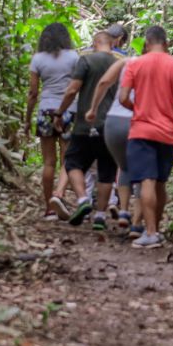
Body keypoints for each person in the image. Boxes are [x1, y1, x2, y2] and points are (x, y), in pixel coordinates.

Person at [115, 25, 173, 249]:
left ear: (147, 43)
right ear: (166, 43)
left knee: (146, 181)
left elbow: (123, 97)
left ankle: (150, 232)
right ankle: (156, 229)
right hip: (167, 133)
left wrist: (137, 108)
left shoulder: (136, 64)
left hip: (141, 131)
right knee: (160, 183)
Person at [56, 28, 122, 229]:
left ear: (94, 44)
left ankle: (83, 199)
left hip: (85, 123)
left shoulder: (85, 61)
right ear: (112, 44)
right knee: (107, 171)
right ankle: (101, 215)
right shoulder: (119, 63)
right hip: (110, 124)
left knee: (72, 161)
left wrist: (60, 112)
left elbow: (73, 89)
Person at [86, 27, 141, 236]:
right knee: (129, 167)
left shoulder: (85, 56)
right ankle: (124, 209)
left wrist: (91, 108)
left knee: (99, 162)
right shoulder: (125, 59)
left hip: (107, 117)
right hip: (131, 117)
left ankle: (107, 205)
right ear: (118, 40)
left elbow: (101, 83)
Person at [23, 22, 79, 220]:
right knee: (67, 158)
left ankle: (49, 209)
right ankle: (59, 195)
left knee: (48, 162)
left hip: (46, 110)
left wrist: (27, 119)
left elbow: (33, 92)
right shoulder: (74, 57)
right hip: (69, 111)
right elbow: (78, 84)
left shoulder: (37, 59)